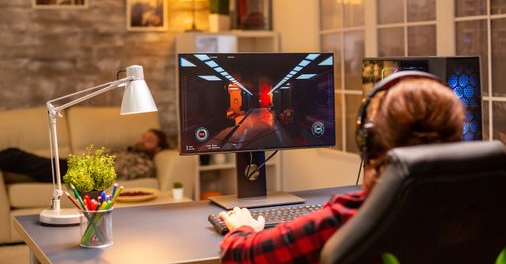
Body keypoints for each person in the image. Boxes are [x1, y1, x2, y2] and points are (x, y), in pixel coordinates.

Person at [218, 74, 465, 263]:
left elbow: (240, 255)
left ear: (369, 143)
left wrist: (243, 227)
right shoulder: (477, 207)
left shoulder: (349, 218)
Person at [0, 129, 169, 182]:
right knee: (16, 155)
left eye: (149, 141)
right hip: (76, 164)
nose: (142, 141)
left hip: (84, 174)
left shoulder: (146, 164)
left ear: (158, 149)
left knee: (19, 158)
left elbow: (120, 173)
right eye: (143, 137)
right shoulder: (128, 150)